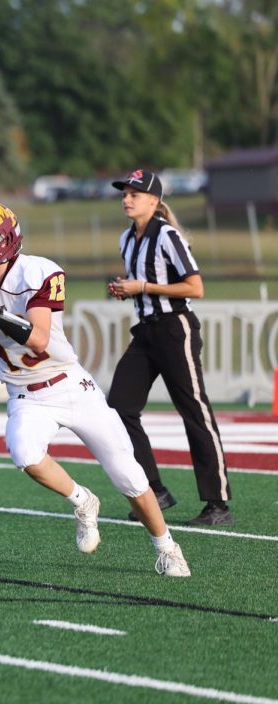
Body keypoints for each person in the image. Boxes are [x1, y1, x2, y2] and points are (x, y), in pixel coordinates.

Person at [0, 198, 189, 576]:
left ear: (3, 240)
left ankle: (167, 546)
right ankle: (83, 500)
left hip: (71, 385)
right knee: (23, 452)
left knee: (129, 476)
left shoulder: (38, 273)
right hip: (25, 395)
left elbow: (38, 339)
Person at [106, 169, 232, 526]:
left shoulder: (167, 236)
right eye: (125, 193)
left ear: (154, 200)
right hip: (146, 332)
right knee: (118, 407)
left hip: (176, 330)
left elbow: (195, 288)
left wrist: (143, 287)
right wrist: (127, 290)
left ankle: (217, 504)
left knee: (194, 410)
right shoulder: (126, 239)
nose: (127, 198)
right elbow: (141, 286)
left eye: (135, 193)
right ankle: (155, 491)